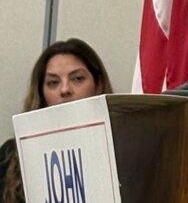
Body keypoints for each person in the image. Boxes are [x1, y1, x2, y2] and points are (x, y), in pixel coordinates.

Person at [0, 39, 113, 203]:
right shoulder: (11, 155)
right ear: (42, 93)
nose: (65, 89)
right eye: (53, 82)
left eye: (77, 79)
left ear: (98, 85)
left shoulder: (120, 148)